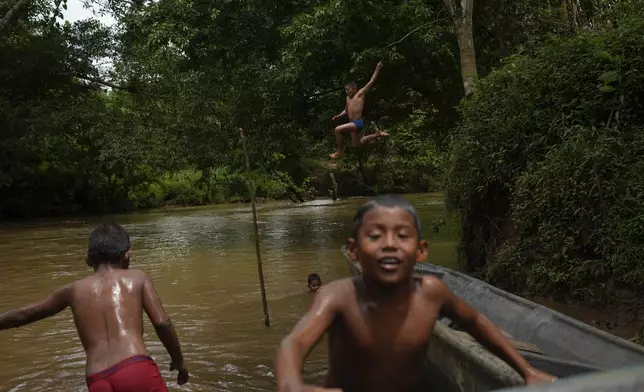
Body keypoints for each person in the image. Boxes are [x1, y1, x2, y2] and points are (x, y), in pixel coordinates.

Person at [275, 195, 556, 392]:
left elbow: (477, 323)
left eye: (402, 235)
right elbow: (295, 343)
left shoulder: (432, 293)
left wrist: (526, 370)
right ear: (354, 251)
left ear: (421, 251)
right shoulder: (338, 296)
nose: (389, 244)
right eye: (375, 236)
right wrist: (292, 385)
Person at [0, 223, 189, 392]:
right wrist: (178, 361)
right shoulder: (138, 277)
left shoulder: (73, 290)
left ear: (88, 260)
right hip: (135, 367)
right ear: (127, 256)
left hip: (97, 378)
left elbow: (26, 314)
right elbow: (162, 322)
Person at [329, 61, 390, 159]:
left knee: (337, 129)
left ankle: (340, 152)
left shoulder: (360, 94)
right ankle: (377, 134)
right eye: (345, 90)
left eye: (348, 89)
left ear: (354, 88)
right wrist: (339, 116)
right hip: (351, 122)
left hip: (358, 123)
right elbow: (346, 110)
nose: (346, 92)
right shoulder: (347, 99)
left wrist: (377, 69)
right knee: (358, 144)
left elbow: (371, 81)